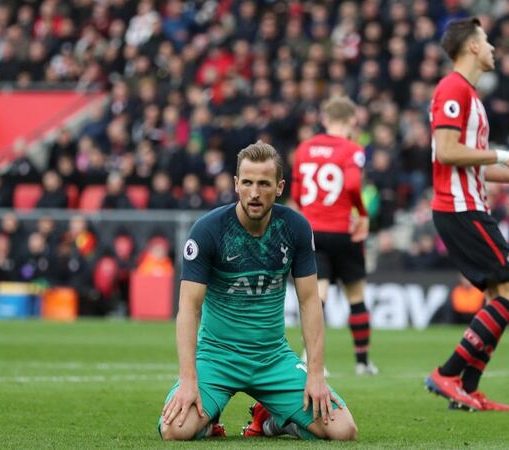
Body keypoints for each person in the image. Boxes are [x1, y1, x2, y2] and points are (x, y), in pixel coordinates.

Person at [158, 142, 357, 441]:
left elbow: (309, 301)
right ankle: (209, 419)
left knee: (343, 431)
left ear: (279, 187)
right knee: (174, 430)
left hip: (272, 358)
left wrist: (316, 375)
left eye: (263, 184)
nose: (254, 192)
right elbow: (188, 308)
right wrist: (189, 379)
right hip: (216, 357)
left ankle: (272, 421)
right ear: (236, 184)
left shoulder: (296, 228)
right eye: (247, 182)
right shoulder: (208, 230)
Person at [424, 17, 509, 412]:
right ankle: (448, 373)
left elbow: (473, 164)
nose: (492, 48)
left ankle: (466, 391)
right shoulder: (453, 88)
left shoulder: (467, 93)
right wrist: (507, 154)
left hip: (466, 206)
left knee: (495, 297)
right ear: (471, 46)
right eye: (486, 41)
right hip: (461, 209)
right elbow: (447, 151)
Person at [291, 96, 377, 375]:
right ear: (352, 120)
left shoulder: (304, 148)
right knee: (355, 295)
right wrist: (361, 213)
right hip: (344, 231)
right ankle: (363, 363)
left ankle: (310, 358)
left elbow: (294, 194)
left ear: (325, 120)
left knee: (319, 296)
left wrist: (308, 214)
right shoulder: (352, 149)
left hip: (313, 231)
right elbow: (352, 183)